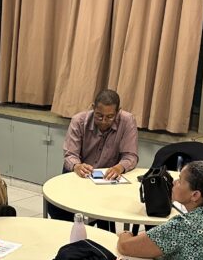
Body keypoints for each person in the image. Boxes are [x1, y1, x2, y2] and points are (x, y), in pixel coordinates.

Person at [47, 89, 139, 223]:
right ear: (93, 108)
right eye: (99, 115)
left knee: (105, 211)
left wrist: (119, 167)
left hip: (107, 181)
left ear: (118, 112)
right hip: (81, 177)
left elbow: (131, 156)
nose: (104, 121)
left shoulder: (127, 121)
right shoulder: (79, 121)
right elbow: (70, 155)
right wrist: (77, 165)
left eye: (110, 117)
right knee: (57, 208)